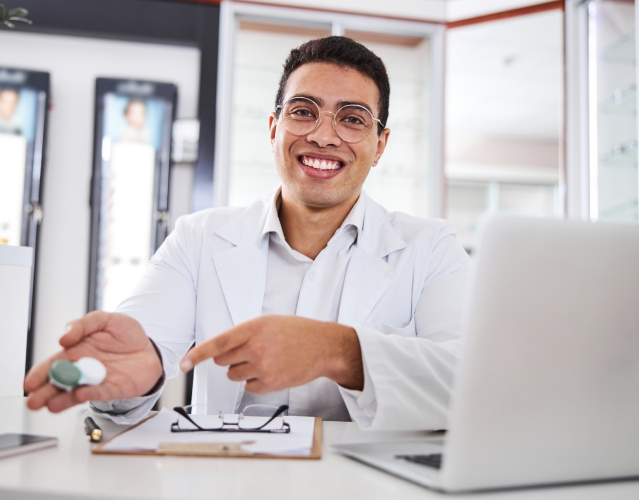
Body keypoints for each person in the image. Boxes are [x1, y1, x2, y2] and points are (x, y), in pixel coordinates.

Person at [24, 37, 472, 430]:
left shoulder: (430, 248)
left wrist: (339, 351)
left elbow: (472, 381)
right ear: (275, 128)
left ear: (380, 145)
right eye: (303, 111)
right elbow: (143, 354)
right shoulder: (199, 237)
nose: (323, 135)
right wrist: (127, 380)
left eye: (352, 119)